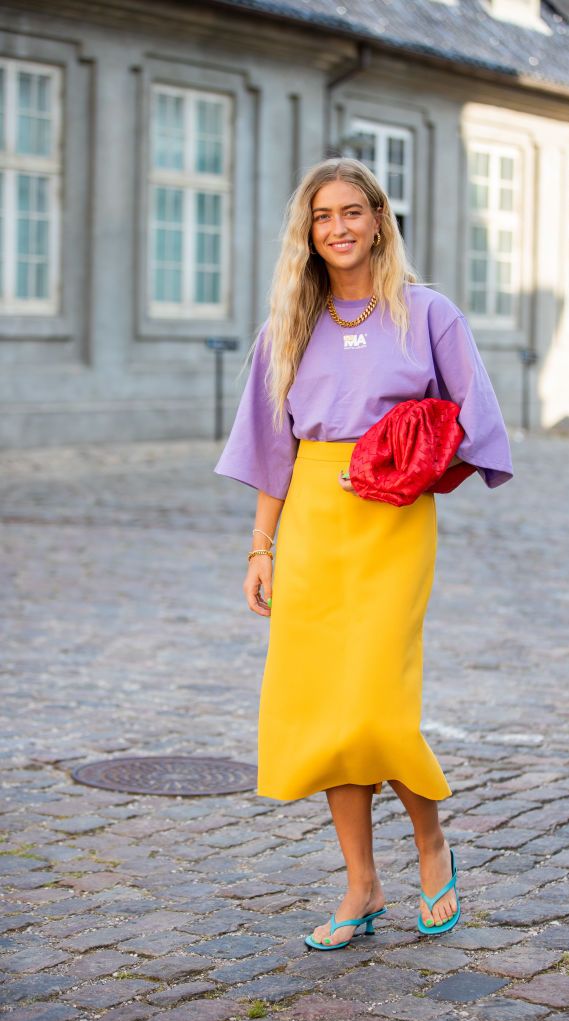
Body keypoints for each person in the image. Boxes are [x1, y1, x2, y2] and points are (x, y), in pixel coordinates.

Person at [215, 157, 513, 950]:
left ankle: (430, 843)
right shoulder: (286, 327)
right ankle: (360, 884)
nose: (339, 228)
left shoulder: (428, 314)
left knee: (376, 703)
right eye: (322, 217)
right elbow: (269, 448)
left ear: (379, 219)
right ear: (307, 233)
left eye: (352, 211)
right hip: (313, 517)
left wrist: (418, 461)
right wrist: (259, 549)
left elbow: (474, 423)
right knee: (327, 710)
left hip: (392, 519)